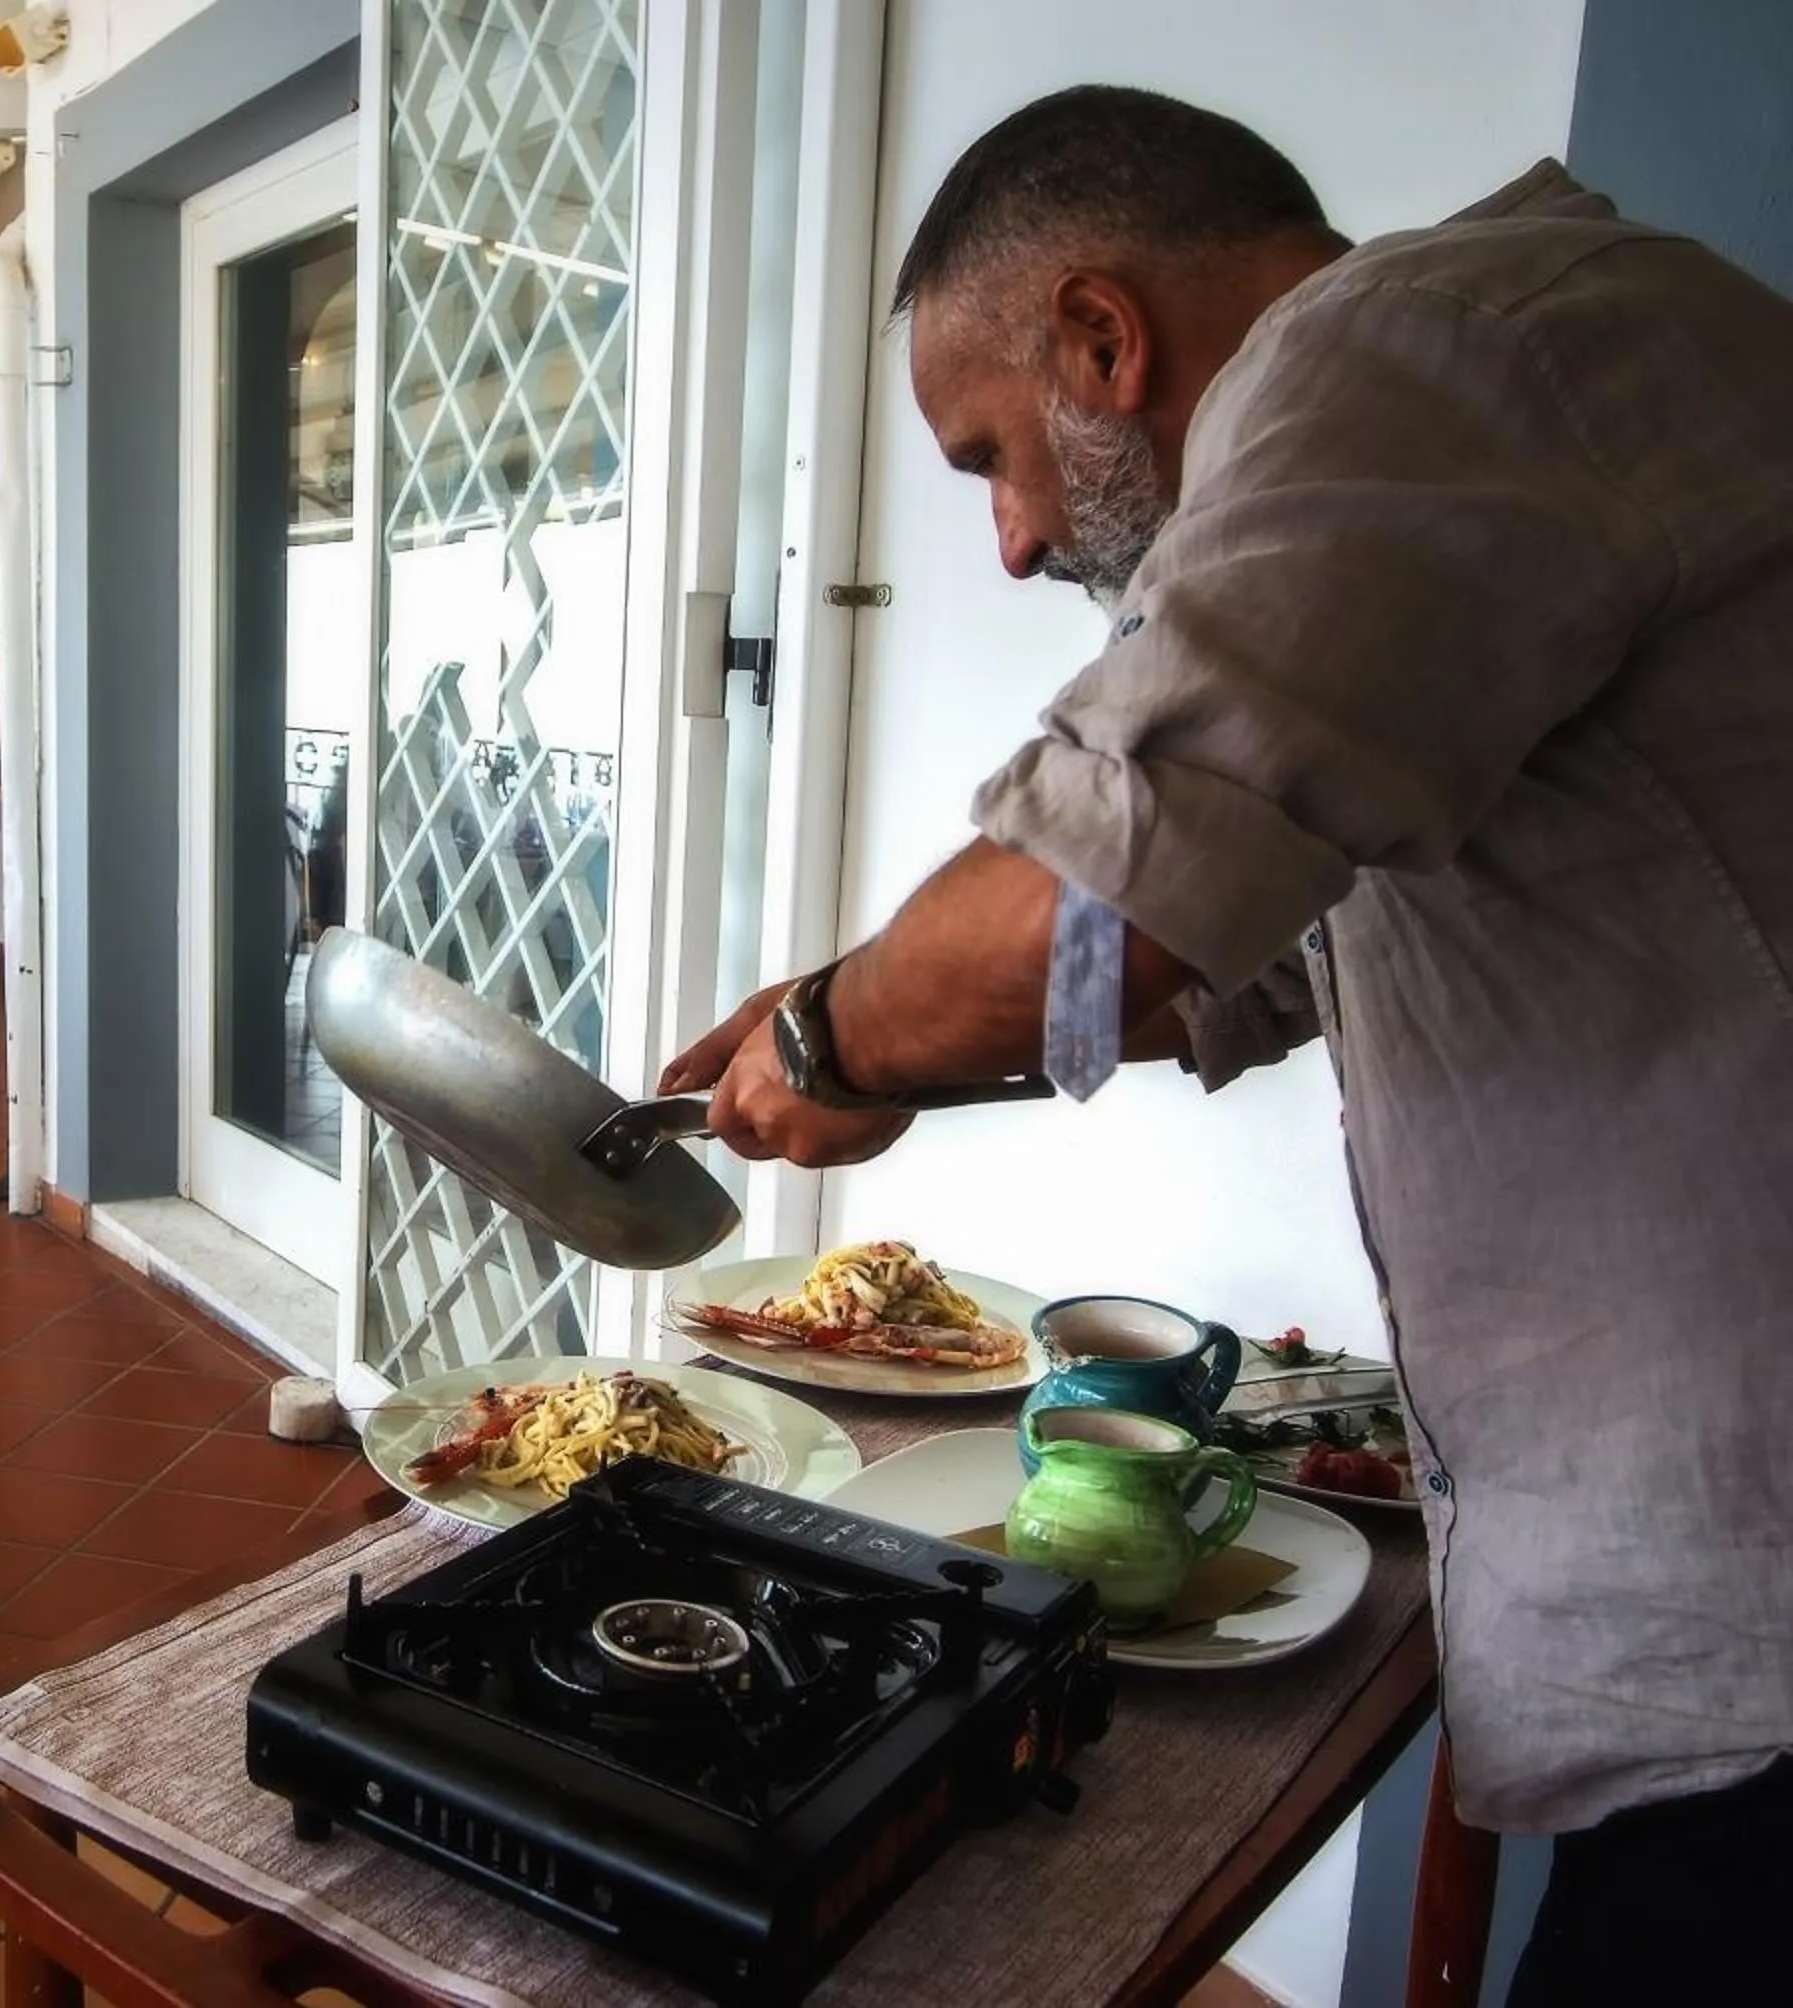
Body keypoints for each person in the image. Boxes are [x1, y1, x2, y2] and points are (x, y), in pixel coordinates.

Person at [659, 90, 1793, 1999]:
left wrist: (836, 1028)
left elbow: (1112, 896)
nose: (1011, 541)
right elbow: (1231, 961)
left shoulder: (1424, 354)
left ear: (1105, 340)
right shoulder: (1487, 428)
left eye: (989, 459)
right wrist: (878, 1064)